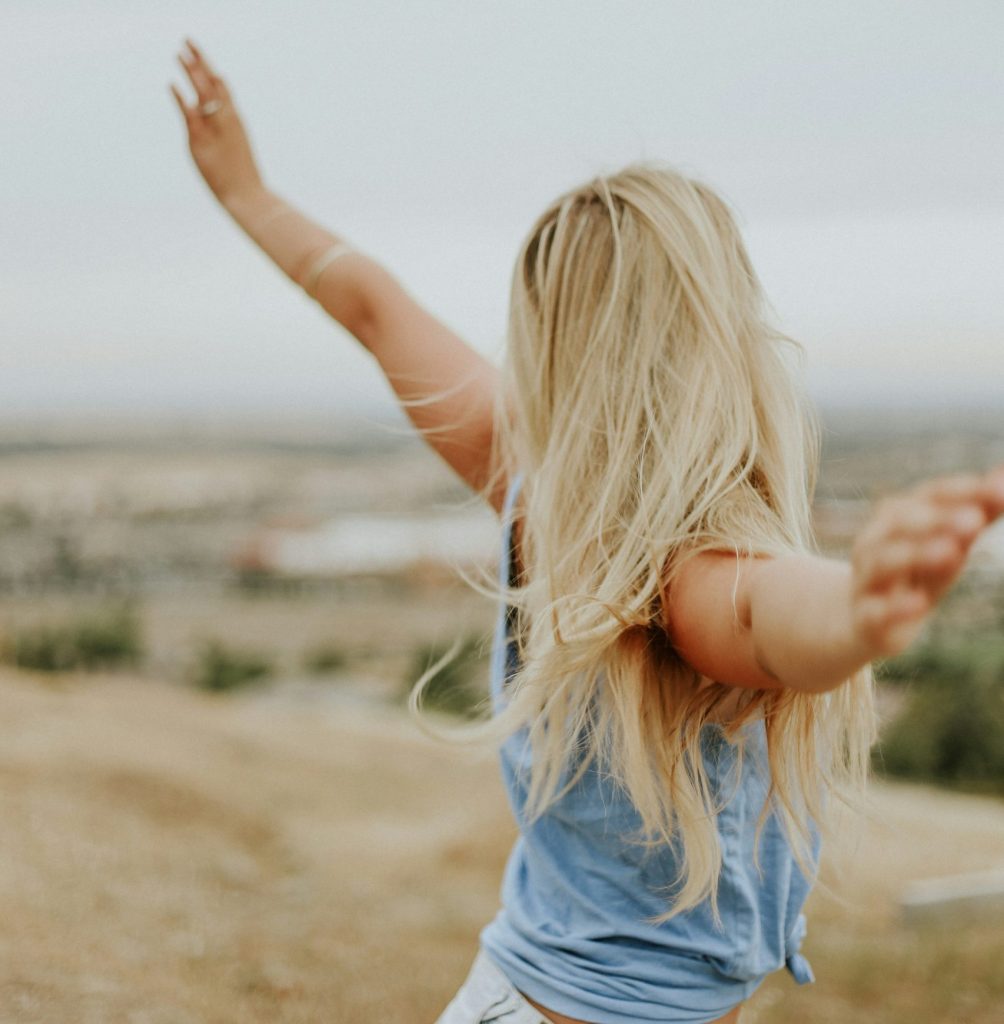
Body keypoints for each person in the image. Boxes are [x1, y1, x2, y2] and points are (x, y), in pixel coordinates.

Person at [169, 38, 1004, 1024]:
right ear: (719, 340)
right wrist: (858, 611)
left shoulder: (530, 484)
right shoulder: (685, 578)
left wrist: (249, 194)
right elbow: (780, 618)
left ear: (554, 342)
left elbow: (367, 302)